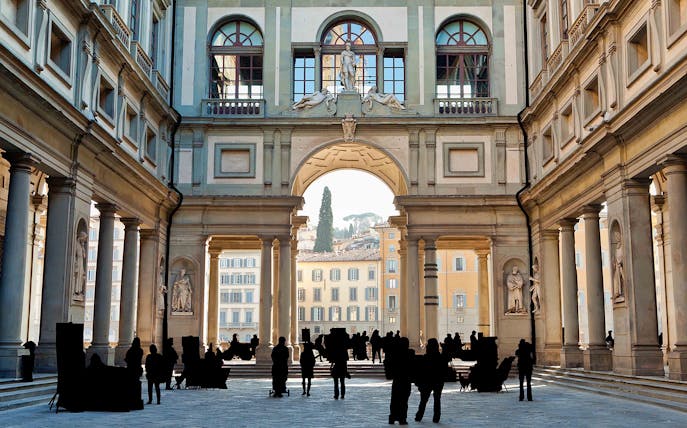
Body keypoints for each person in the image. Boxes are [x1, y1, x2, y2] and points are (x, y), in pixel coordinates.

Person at [415, 338, 447, 423]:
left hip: (427, 381)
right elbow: (444, 370)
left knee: (423, 400)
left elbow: (421, 371)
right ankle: (436, 417)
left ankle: (419, 416)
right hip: (438, 381)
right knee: (437, 400)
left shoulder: (425, 358)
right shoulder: (441, 358)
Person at [388, 337, 414, 425]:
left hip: (397, 379)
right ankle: (402, 418)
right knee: (404, 400)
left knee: (394, 399)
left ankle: (392, 417)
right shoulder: (410, 353)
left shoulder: (395, 354)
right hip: (406, 380)